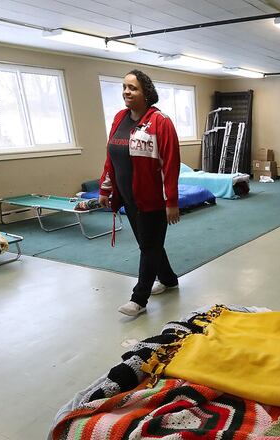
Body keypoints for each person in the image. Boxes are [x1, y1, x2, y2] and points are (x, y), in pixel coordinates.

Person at [98, 69, 181, 317]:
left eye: (132, 88)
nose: (126, 91)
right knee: (149, 243)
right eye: (124, 87)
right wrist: (105, 188)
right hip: (128, 197)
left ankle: (139, 299)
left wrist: (171, 201)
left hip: (152, 199)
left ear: (146, 92)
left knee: (149, 246)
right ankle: (168, 278)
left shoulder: (160, 122)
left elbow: (170, 164)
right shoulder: (119, 118)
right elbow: (111, 158)